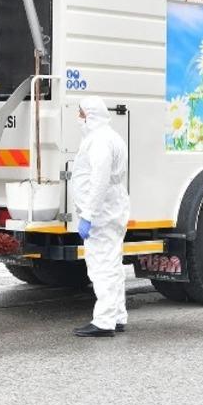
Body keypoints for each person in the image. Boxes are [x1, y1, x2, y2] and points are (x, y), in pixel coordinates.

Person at [70, 96, 130, 338]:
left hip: (102, 213)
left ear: (90, 115)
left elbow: (99, 180)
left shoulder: (99, 141)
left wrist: (88, 215)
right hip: (111, 208)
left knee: (101, 266)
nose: (79, 118)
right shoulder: (109, 136)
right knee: (112, 264)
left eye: (81, 113)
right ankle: (117, 315)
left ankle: (104, 321)